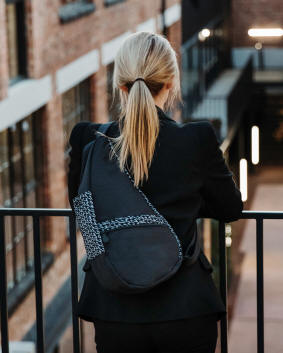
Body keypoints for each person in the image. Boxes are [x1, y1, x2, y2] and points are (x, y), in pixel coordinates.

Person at [67, 31, 243, 353]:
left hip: (115, 312)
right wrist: (186, 203)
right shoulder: (197, 138)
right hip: (185, 309)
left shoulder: (87, 141)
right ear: (171, 84)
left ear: (119, 85)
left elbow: (84, 209)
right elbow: (230, 208)